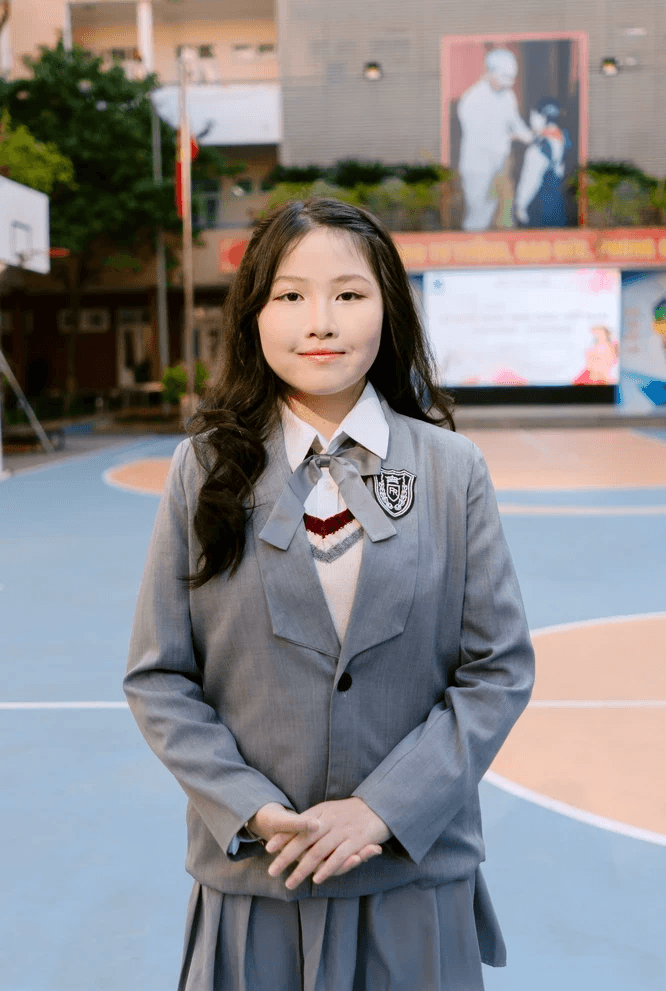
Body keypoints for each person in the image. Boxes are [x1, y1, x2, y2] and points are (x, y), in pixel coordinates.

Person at [124, 197, 535, 991]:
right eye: (290, 295)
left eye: (349, 294)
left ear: (389, 310)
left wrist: (381, 808)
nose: (321, 320)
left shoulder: (451, 470)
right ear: (252, 316)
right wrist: (252, 808)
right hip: (259, 883)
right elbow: (159, 676)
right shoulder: (202, 469)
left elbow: (498, 669)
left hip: (411, 880)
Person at [457, 49, 533, 231]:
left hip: (499, 164)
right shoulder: (472, 99)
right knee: (477, 211)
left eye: (512, 77)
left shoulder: (508, 96)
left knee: (495, 208)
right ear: (491, 72)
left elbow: (515, 122)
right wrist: (509, 137)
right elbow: (478, 135)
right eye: (505, 76)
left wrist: (530, 135)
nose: (510, 82)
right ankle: (472, 251)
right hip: (477, 165)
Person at [514, 99, 570, 227]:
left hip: (538, 213)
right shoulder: (564, 139)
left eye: (534, 115)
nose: (532, 119)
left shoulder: (537, 150)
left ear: (542, 117)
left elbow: (529, 183)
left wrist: (519, 207)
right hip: (558, 209)